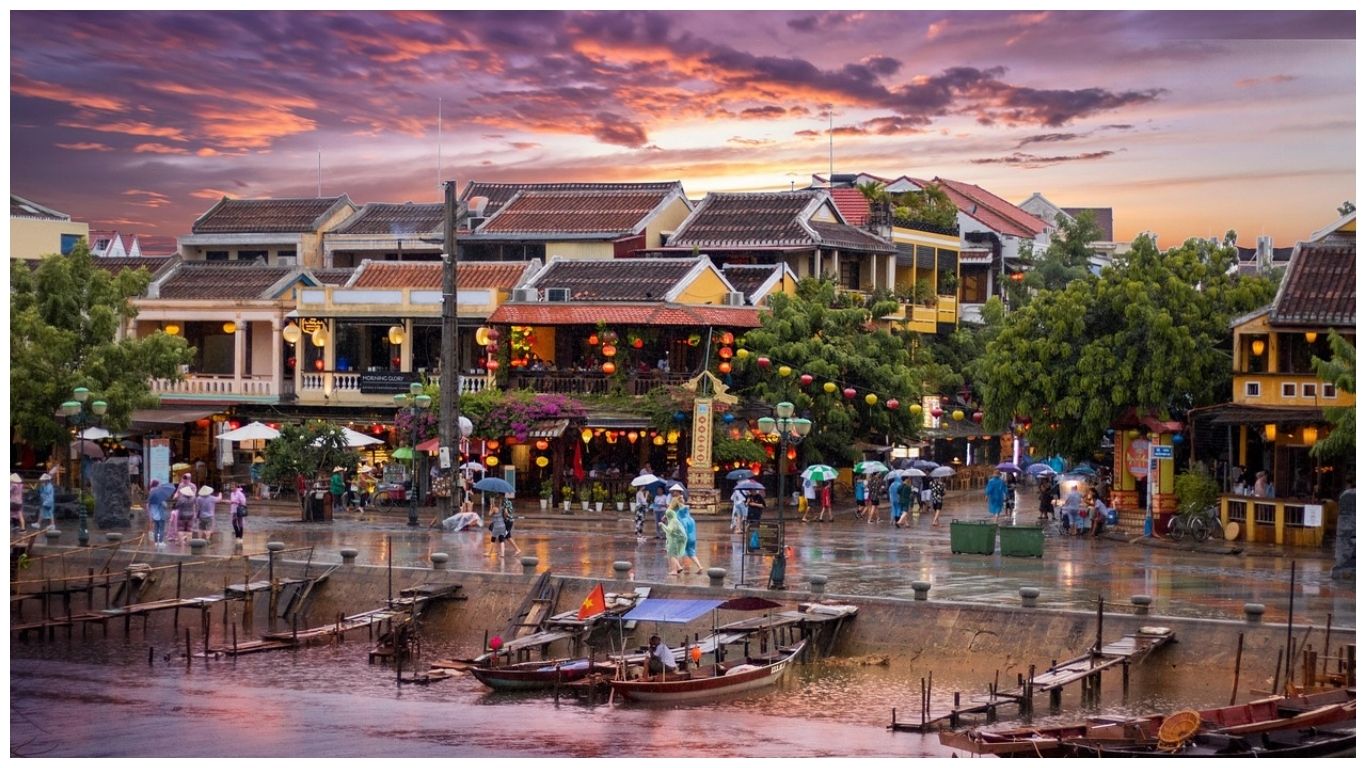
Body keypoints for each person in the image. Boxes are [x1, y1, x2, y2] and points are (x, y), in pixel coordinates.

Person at [674, 491, 704, 575]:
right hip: (692, 538)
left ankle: (678, 567)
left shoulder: (680, 518)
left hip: (684, 537)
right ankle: (699, 566)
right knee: (691, 553)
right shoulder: (690, 518)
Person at [147, 480, 176, 547]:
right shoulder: (159, 497)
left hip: (154, 516)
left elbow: (148, 505)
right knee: (161, 529)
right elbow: (165, 506)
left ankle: (156, 542)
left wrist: (150, 515)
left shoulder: (151, 496)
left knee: (156, 529)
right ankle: (160, 542)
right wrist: (165, 502)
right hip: (160, 516)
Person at [662, 507, 686, 575]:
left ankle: (675, 570)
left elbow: (669, 531)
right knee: (674, 555)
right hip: (676, 540)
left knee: (672, 555)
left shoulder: (672, 521)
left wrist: (662, 525)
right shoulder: (675, 520)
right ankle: (678, 567)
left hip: (673, 541)